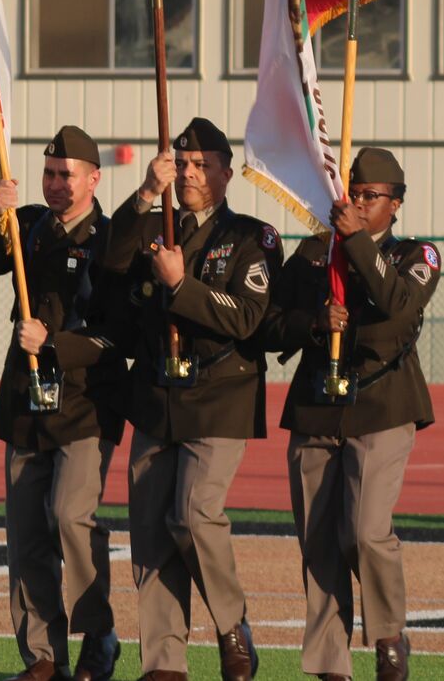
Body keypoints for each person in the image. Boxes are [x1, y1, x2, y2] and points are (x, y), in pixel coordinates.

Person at [0, 125, 128, 681]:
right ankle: (44, 657)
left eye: (65, 175)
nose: (54, 184)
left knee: (70, 518)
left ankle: (98, 635)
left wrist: (54, 343)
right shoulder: (25, 224)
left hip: (85, 400)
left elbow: (120, 333)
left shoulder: (112, 238)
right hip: (27, 400)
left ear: (93, 179)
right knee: (27, 533)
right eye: (48, 174)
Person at [110, 116, 280, 681]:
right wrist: (145, 193)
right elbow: (109, 264)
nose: (189, 173)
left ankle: (232, 626)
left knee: (192, 514)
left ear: (226, 174)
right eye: (181, 164)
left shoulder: (251, 238)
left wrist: (181, 286)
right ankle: (164, 664)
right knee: (150, 533)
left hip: (218, 394)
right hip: (157, 395)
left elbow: (248, 318)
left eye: (202, 165)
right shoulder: (154, 225)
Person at [263, 147, 436, 681]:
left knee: (364, 532)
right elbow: (268, 325)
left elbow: (396, 306)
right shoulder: (315, 252)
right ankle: (329, 664)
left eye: (370, 196)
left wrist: (357, 241)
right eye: (352, 194)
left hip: (381, 406)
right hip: (317, 408)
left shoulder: (416, 254)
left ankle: (388, 635)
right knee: (318, 542)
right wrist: (314, 322)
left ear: (395, 204)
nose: (358, 203)